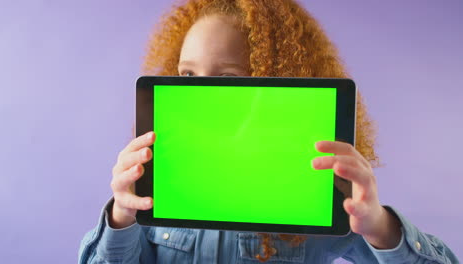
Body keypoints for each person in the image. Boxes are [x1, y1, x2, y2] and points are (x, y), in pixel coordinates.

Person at [78, 0, 459, 263]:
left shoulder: (315, 186)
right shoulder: (162, 175)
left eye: (228, 78)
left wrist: (379, 226)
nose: (200, 95)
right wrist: (121, 217)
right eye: (188, 75)